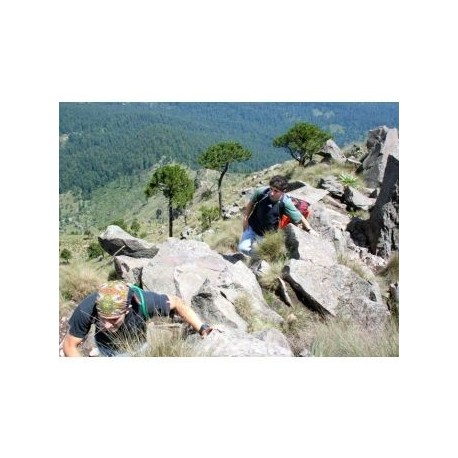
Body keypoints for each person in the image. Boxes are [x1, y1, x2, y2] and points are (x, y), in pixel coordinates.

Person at [62, 280, 216, 357]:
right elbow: (69, 345)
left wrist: (201, 328)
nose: (107, 325)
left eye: (114, 319)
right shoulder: (86, 309)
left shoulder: (145, 302)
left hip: (139, 345)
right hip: (107, 347)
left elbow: (176, 302)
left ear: (128, 309)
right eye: (103, 319)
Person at [238, 175, 319, 257]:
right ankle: (256, 256)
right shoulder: (261, 192)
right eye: (271, 189)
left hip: (268, 234)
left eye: (276, 191)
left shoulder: (285, 202)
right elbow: (251, 203)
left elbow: (299, 217)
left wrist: (310, 230)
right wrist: (245, 218)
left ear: (283, 191)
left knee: (263, 254)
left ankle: (259, 259)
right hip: (252, 226)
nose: (272, 193)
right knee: (242, 248)